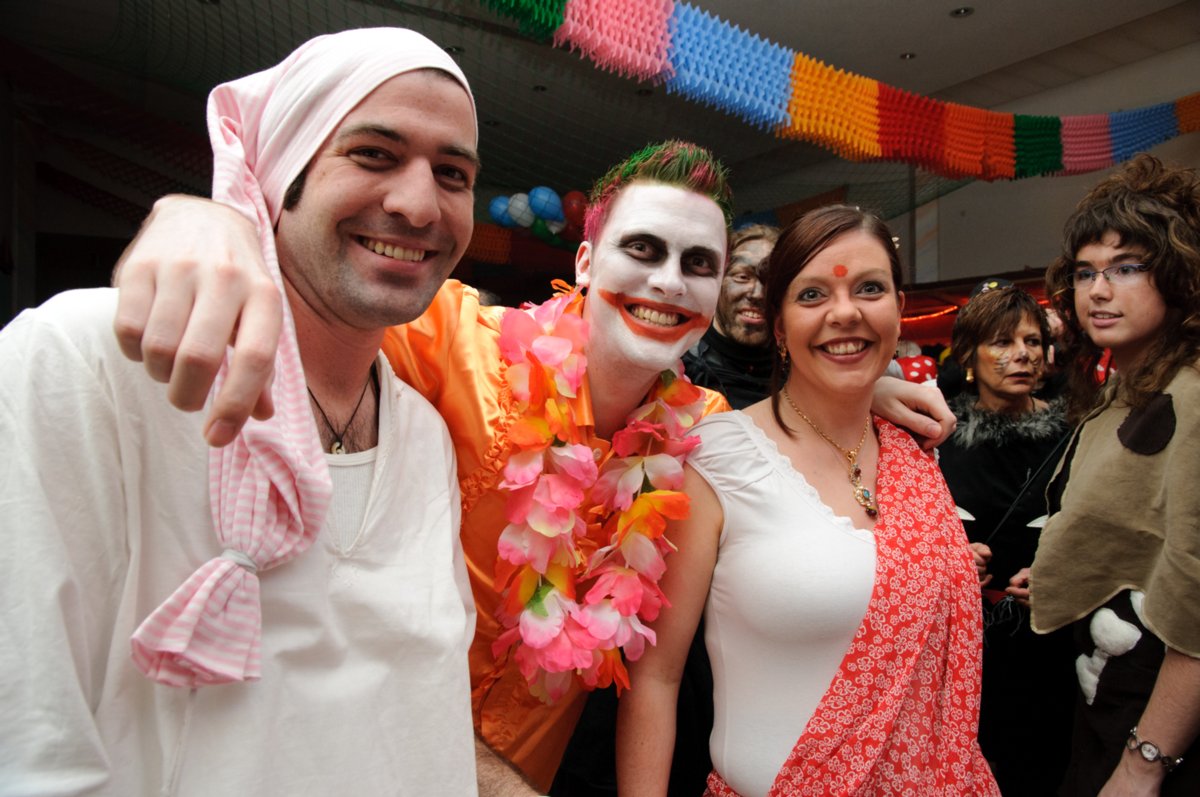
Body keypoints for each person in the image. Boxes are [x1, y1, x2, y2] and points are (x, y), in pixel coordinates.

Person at [108, 155, 957, 793]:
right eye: (643, 249)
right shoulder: (457, 341)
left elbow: (794, 424)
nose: (668, 280)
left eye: (698, 264)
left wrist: (858, 374)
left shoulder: (702, 432)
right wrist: (202, 216)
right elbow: (316, 293)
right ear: (586, 264)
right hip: (340, 750)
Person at [0, 29, 480, 794]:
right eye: (374, 154)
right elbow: (29, 735)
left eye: (452, 172)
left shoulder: (424, 434)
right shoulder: (89, 358)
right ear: (282, 173)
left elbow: (425, 716)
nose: (420, 204)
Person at [616, 205, 998, 796]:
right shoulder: (716, 459)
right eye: (813, 293)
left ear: (900, 306)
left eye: (869, 288)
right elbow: (656, 680)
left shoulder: (917, 452)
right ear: (777, 323)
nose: (845, 313)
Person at [1019, 154, 1200, 796]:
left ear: (1178, 277)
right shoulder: (1128, 390)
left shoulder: (1189, 394)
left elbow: (1195, 594)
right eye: (1087, 273)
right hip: (1106, 690)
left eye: (1127, 269)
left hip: (1153, 719)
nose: (1098, 291)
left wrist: (1144, 763)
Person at [936, 286, 1074, 795]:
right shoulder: (933, 434)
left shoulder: (1075, 430)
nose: (1022, 354)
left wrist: (1068, 576)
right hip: (965, 646)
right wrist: (946, 556)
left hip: (1053, 643)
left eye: (1032, 341)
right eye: (1001, 341)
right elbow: (893, 527)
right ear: (969, 353)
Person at [683, 224, 777, 409]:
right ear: (717, 282)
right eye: (742, 276)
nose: (758, 293)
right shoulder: (678, 368)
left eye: (772, 281)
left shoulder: (802, 371)